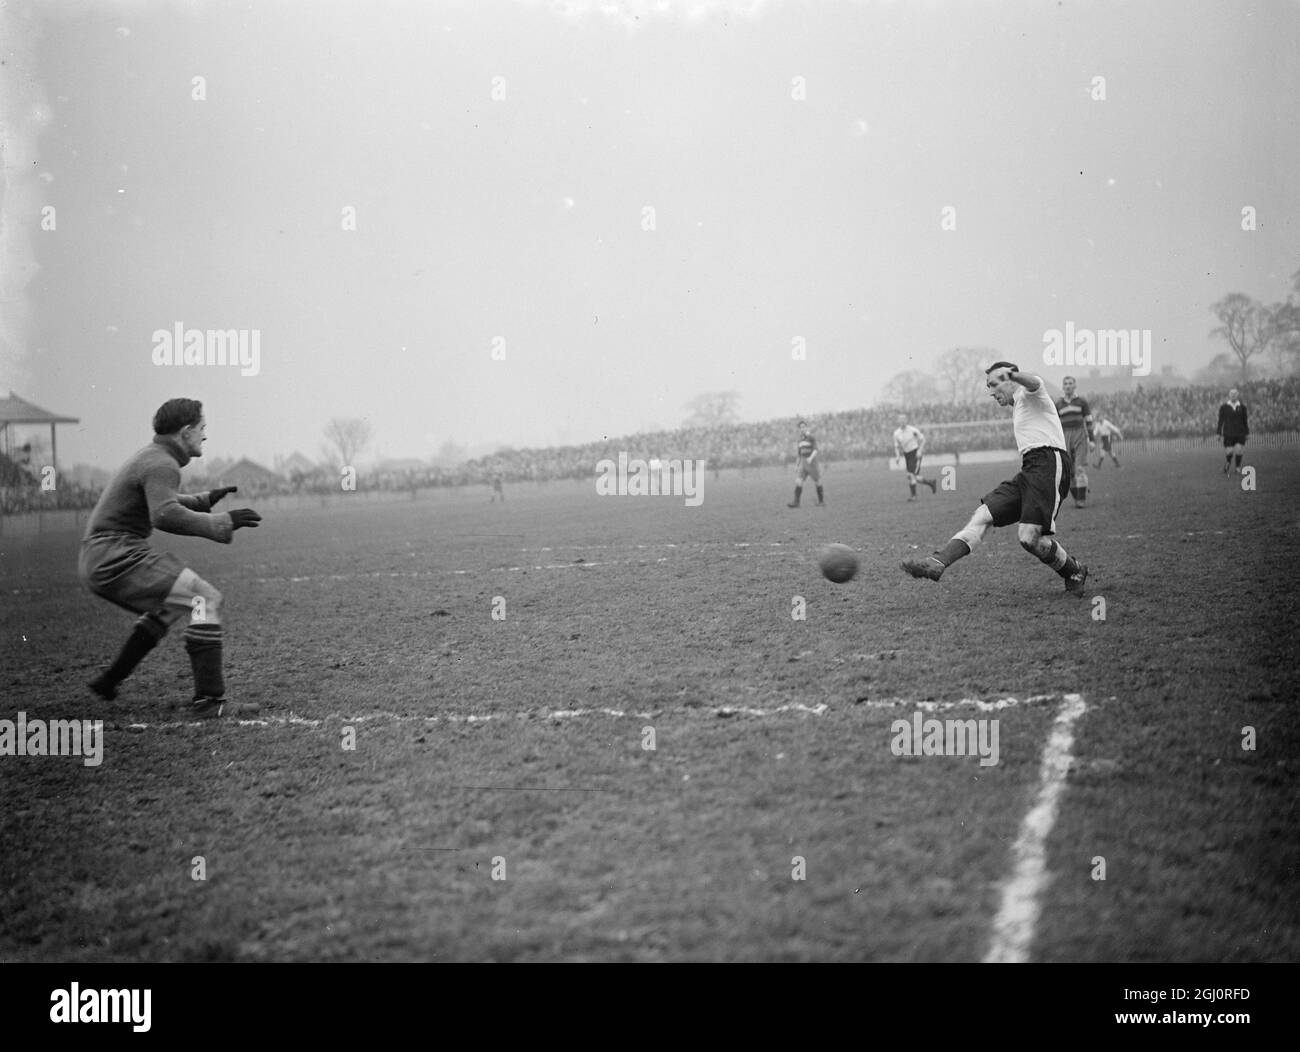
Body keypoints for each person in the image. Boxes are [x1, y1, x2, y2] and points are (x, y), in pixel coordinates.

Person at [79, 398, 263, 718]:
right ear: (186, 431)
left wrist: (205, 500)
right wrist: (223, 521)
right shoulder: (163, 463)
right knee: (206, 599)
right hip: (115, 555)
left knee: (171, 605)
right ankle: (209, 701)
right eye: (202, 429)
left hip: (102, 555)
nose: (205, 435)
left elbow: (162, 499)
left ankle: (109, 681)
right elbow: (164, 513)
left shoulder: (154, 456)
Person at [902, 362, 1089, 594]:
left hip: (1050, 463)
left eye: (993, 385)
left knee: (1028, 538)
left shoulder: (1030, 395)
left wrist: (1012, 374)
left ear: (1009, 380)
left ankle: (1073, 569)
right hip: (1030, 469)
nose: (991, 392)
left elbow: (1035, 382)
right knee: (983, 515)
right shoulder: (1018, 405)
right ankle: (938, 562)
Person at [1055, 375, 1092, 507]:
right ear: (1063, 386)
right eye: (1066, 384)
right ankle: (1077, 497)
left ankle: (1081, 500)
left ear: (1074, 386)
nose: (1068, 386)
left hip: (1079, 434)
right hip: (1065, 437)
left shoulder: (1082, 402)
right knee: (1069, 472)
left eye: (1071, 383)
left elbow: (1089, 421)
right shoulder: (1058, 404)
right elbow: (1054, 424)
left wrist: (1092, 440)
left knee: (1080, 469)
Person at [892, 413, 937, 501]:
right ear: (898, 421)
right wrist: (897, 456)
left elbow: (923, 439)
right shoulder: (896, 433)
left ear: (906, 420)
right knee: (912, 476)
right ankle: (931, 483)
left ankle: (914, 496)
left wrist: (920, 451)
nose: (902, 421)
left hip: (915, 454)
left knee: (911, 475)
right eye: (900, 420)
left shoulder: (913, 430)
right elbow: (896, 446)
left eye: (904, 420)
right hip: (907, 455)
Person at [787, 421, 824, 507]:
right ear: (799, 429)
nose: (802, 428)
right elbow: (799, 455)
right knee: (799, 481)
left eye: (804, 427)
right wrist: (796, 466)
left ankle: (821, 501)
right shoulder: (800, 440)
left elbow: (815, 450)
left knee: (817, 481)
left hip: (812, 464)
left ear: (806, 428)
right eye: (801, 427)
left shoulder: (811, 438)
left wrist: (811, 458)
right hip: (804, 464)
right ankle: (796, 502)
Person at [1216, 388, 1248, 474]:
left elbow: (1245, 420)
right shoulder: (1224, 407)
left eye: (1235, 394)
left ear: (1237, 395)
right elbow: (1220, 421)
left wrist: (1247, 433)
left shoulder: (1242, 407)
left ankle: (1237, 467)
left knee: (1239, 450)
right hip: (1228, 433)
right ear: (1229, 395)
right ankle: (1228, 462)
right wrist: (1218, 433)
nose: (1233, 395)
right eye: (1232, 394)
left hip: (1240, 433)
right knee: (1229, 452)